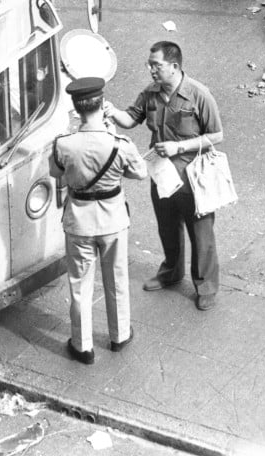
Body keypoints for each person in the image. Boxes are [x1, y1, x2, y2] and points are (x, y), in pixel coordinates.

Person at [107, 42, 224, 311]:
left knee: (201, 233)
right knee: (167, 226)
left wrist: (179, 146)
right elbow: (130, 119)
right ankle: (171, 272)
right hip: (161, 175)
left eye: (156, 65)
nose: (151, 70)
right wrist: (111, 111)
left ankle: (205, 285)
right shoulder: (150, 93)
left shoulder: (198, 94)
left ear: (174, 66)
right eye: (149, 64)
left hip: (193, 176)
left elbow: (217, 135)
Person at [50, 77, 146, 365]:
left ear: (76, 108)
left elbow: (57, 175)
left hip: (79, 220)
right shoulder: (119, 143)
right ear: (102, 105)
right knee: (116, 279)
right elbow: (140, 173)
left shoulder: (64, 144)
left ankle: (82, 346)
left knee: (80, 284)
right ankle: (119, 336)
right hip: (113, 220)